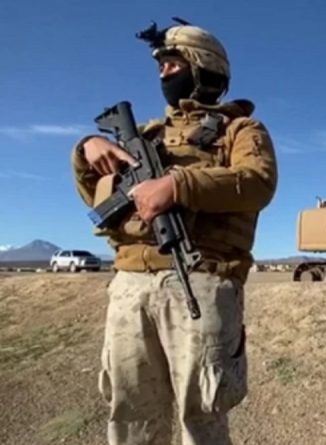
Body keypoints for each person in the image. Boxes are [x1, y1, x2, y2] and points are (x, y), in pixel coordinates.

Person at [70, 20, 278, 445]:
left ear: (203, 67)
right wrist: (87, 150)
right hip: (129, 286)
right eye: (161, 65)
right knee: (130, 415)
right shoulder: (144, 137)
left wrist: (177, 185)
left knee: (200, 417)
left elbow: (258, 182)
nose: (163, 73)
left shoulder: (240, 130)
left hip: (200, 281)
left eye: (173, 63)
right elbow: (98, 201)